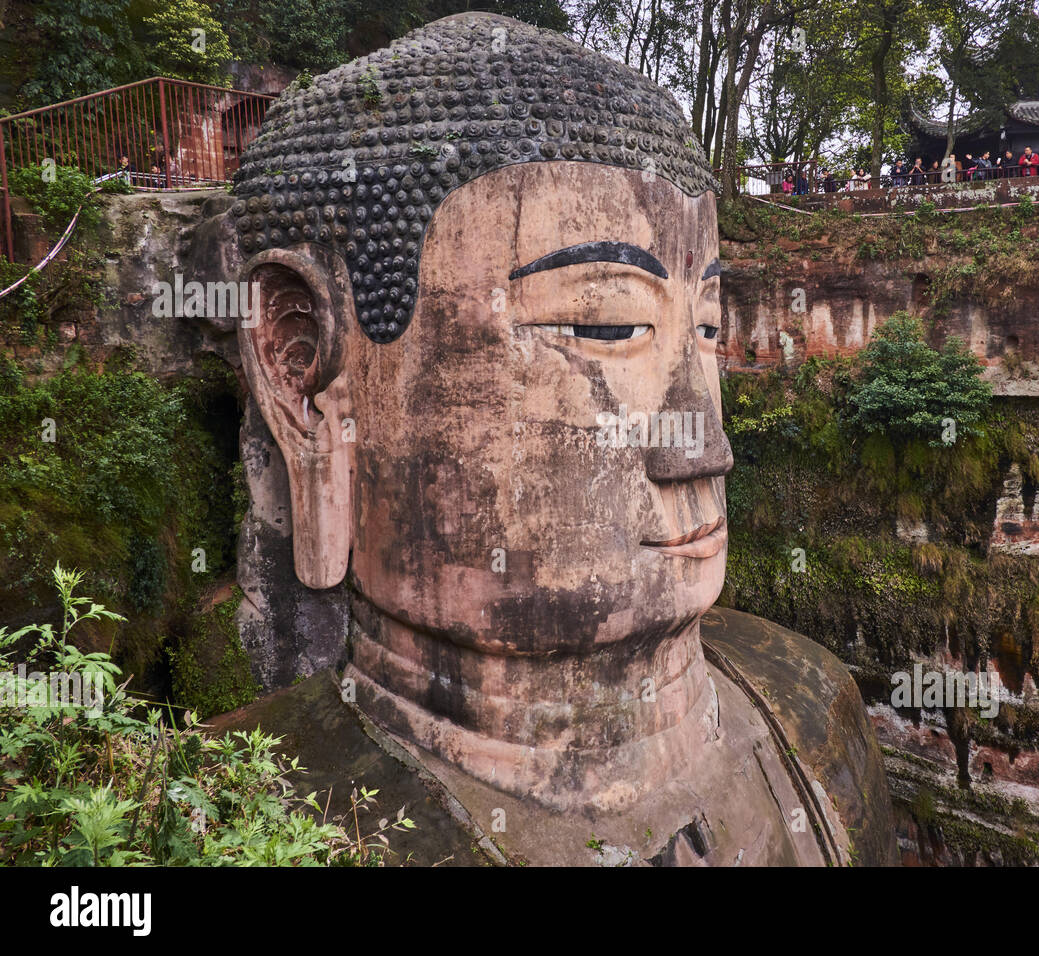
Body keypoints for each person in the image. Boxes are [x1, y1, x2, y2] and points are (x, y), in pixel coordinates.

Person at [228, 11, 897, 867]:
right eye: (605, 323)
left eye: (705, 329)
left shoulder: (812, 707)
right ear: (302, 372)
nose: (704, 448)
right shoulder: (255, 832)